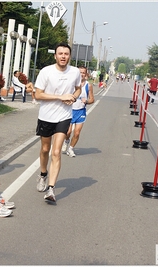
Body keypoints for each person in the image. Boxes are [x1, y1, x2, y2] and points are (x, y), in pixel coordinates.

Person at [34, 42, 81, 202]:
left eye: (66, 54)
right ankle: (42, 174)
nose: (63, 56)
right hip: (46, 116)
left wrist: (73, 97)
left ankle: (51, 189)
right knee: (45, 149)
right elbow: (38, 95)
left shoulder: (75, 72)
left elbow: (78, 88)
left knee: (56, 151)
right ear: (55, 56)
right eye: (60, 54)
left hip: (64, 116)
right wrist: (60, 97)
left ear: (69, 56)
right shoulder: (46, 72)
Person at [62, 66, 94, 157]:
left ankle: (71, 149)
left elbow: (92, 99)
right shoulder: (71, 84)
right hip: (70, 110)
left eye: (83, 73)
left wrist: (87, 101)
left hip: (81, 112)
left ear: (86, 74)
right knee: (68, 132)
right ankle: (66, 140)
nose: (81, 74)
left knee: (77, 133)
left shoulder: (89, 85)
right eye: (80, 72)